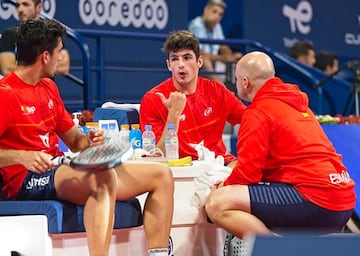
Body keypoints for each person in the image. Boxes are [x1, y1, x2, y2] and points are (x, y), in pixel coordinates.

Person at [0, 19, 174, 256]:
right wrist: (22, 156)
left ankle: (159, 253)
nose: (61, 57)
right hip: (26, 180)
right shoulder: (6, 94)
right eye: (59, 51)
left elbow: (74, 141)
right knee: (101, 179)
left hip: (58, 168)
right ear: (44, 57)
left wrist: (89, 139)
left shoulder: (48, 88)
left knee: (161, 175)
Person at [205, 51, 355, 240]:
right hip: (344, 201)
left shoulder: (258, 111)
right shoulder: (298, 104)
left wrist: (225, 185)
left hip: (317, 200)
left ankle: (275, 251)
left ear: (245, 82)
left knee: (217, 203)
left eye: (236, 79)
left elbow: (248, 173)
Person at [139, 30, 246, 166]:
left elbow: (249, 118)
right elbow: (157, 156)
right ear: (168, 65)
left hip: (218, 164)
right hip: (179, 169)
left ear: (199, 61)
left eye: (187, 57)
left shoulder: (217, 91)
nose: (181, 64)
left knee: (242, 169)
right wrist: (174, 114)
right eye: (175, 59)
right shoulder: (153, 99)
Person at [0, 0, 70, 76]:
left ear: (39, 7)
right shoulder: (10, 34)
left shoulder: (51, 33)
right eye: (17, 5)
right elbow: (7, 69)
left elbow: (63, 66)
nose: (20, 10)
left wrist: (26, 69)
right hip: (19, 87)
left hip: (46, 87)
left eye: (25, 5)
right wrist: (47, 66)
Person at [188, 0, 242, 81]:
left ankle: (236, 88)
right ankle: (220, 88)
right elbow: (199, 53)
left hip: (213, 63)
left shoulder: (217, 26)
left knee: (238, 57)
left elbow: (223, 46)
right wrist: (221, 58)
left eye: (220, 14)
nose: (217, 16)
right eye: (214, 12)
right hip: (197, 64)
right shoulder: (196, 25)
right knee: (204, 59)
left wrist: (229, 56)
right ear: (206, 10)